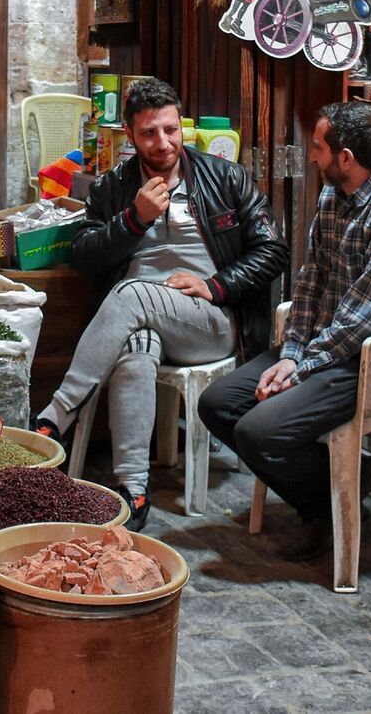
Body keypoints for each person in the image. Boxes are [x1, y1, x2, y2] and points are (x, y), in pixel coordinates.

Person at [200, 101, 371, 563]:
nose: (311, 157)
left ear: (345, 157)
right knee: (218, 404)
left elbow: (367, 315)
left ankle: (322, 510)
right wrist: (291, 353)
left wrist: (300, 368)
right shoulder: (334, 193)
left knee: (259, 432)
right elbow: (311, 281)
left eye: (318, 148)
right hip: (334, 348)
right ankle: (344, 482)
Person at [35, 78, 287, 531]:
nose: (163, 142)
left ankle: (56, 415)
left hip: (207, 323)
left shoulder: (224, 177)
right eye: (149, 133)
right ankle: (133, 490)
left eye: (171, 130)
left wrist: (217, 285)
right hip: (136, 320)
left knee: (132, 294)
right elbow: (85, 257)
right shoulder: (112, 187)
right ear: (130, 135)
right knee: (136, 352)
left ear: (181, 126)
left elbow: (272, 250)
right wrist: (135, 218)